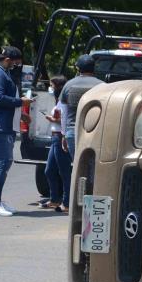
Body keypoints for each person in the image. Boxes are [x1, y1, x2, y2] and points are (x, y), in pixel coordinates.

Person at [0, 46, 32, 216]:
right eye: (16, 61)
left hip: (4, 124)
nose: (17, 65)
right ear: (8, 59)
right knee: (4, 161)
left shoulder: (4, 73)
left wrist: (21, 116)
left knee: (2, 162)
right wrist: (21, 102)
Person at [60, 55, 103, 160]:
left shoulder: (68, 85)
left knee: (77, 166)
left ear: (78, 68)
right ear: (93, 68)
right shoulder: (103, 86)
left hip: (72, 132)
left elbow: (63, 112)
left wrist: (63, 135)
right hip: (95, 134)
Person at [40, 76, 71, 212]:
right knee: (50, 170)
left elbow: (64, 120)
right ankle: (54, 199)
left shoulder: (64, 101)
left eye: (52, 86)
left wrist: (52, 119)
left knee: (64, 171)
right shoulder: (59, 101)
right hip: (55, 138)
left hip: (60, 137)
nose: (51, 89)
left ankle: (67, 202)